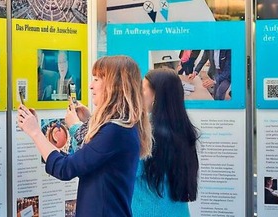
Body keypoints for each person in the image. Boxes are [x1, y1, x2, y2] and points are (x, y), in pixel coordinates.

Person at [17, 55, 152, 217]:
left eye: (96, 79)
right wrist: (89, 121)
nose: (90, 86)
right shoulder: (123, 126)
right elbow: (89, 158)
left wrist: (35, 132)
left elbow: (65, 168)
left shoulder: (115, 131)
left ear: (114, 85)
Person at [131, 68, 199, 216]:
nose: (138, 95)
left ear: (156, 95)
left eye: (142, 89)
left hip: (147, 211)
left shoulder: (146, 132)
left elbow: (127, 170)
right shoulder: (184, 131)